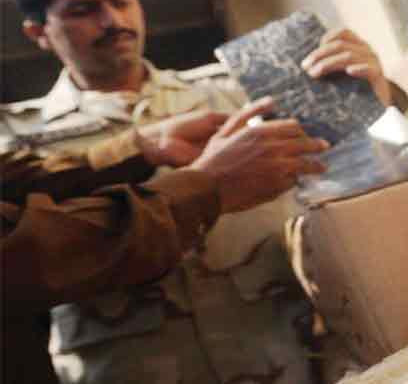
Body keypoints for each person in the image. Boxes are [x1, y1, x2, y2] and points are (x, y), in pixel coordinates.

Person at [4, 0, 406, 384]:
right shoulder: (18, 145)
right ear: (38, 32)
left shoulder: (236, 93)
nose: (112, 21)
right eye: (83, 10)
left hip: (288, 362)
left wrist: (369, 93)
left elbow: (361, 165)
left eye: (120, 1)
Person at [2, 99, 329, 384]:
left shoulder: (218, 90)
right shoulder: (17, 122)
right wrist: (201, 189)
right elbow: (24, 251)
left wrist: (142, 147)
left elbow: (14, 182)